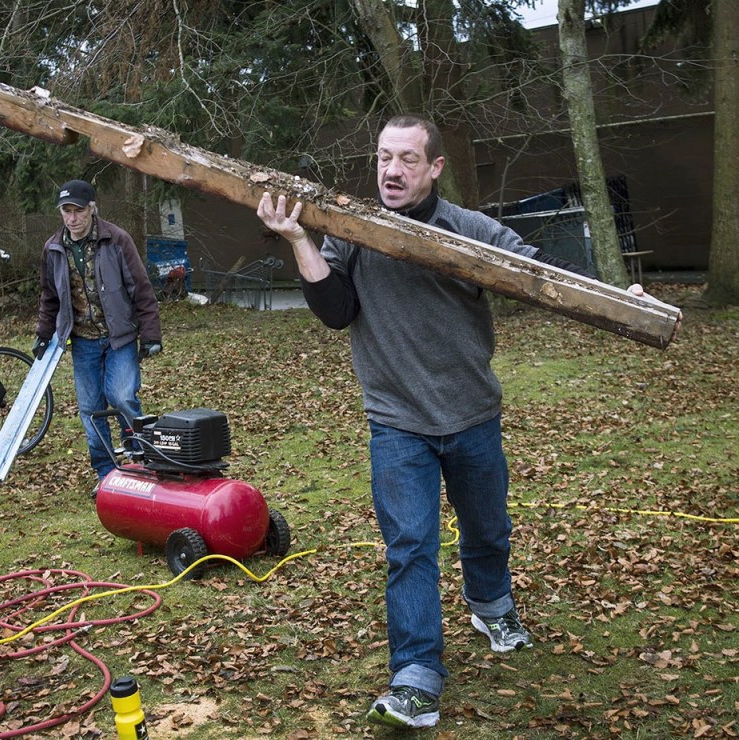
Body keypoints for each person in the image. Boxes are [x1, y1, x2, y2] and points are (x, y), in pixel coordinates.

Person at [257, 114, 649, 730]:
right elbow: (336, 312)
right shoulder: (352, 231)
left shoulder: (470, 230)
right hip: (396, 421)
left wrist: (624, 298)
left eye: (408, 159)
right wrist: (300, 240)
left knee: (488, 528)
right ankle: (416, 675)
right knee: (410, 547)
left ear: (435, 167)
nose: (391, 170)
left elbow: (548, 277)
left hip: (471, 414)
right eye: (384, 157)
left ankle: (491, 604)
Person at [35, 179, 163, 491]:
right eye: (66, 211)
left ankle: (139, 459)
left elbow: (141, 289)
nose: (72, 218)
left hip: (119, 337)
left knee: (121, 397)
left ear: (92, 209)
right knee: (91, 411)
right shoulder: (54, 249)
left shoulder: (117, 240)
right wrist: (43, 332)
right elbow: (49, 296)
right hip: (82, 341)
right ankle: (106, 475)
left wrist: (150, 335)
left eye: (78, 210)